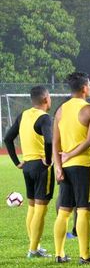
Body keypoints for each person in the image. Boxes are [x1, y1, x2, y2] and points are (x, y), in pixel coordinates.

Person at [52, 72, 90, 264]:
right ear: (84, 88)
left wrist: (58, 166)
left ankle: (59, 253)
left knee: (63, 212)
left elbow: (55, 143)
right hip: (82, 166)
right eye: (89, 85)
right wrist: (71, 155)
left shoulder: (60, 110)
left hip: (65, 167)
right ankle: (85, 255)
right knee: (83, 210)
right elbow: (89, 141)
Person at [4, 86, 53, 258]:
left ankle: (35, 245)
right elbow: (49, 140)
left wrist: (17, 162)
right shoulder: (45, 118)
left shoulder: (23, 115)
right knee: (41, 209)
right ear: (46, 99)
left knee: (32, 207)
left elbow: (7, 139)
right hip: (41, 167)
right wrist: (48, 159)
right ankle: (33, 250)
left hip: (28, 167)